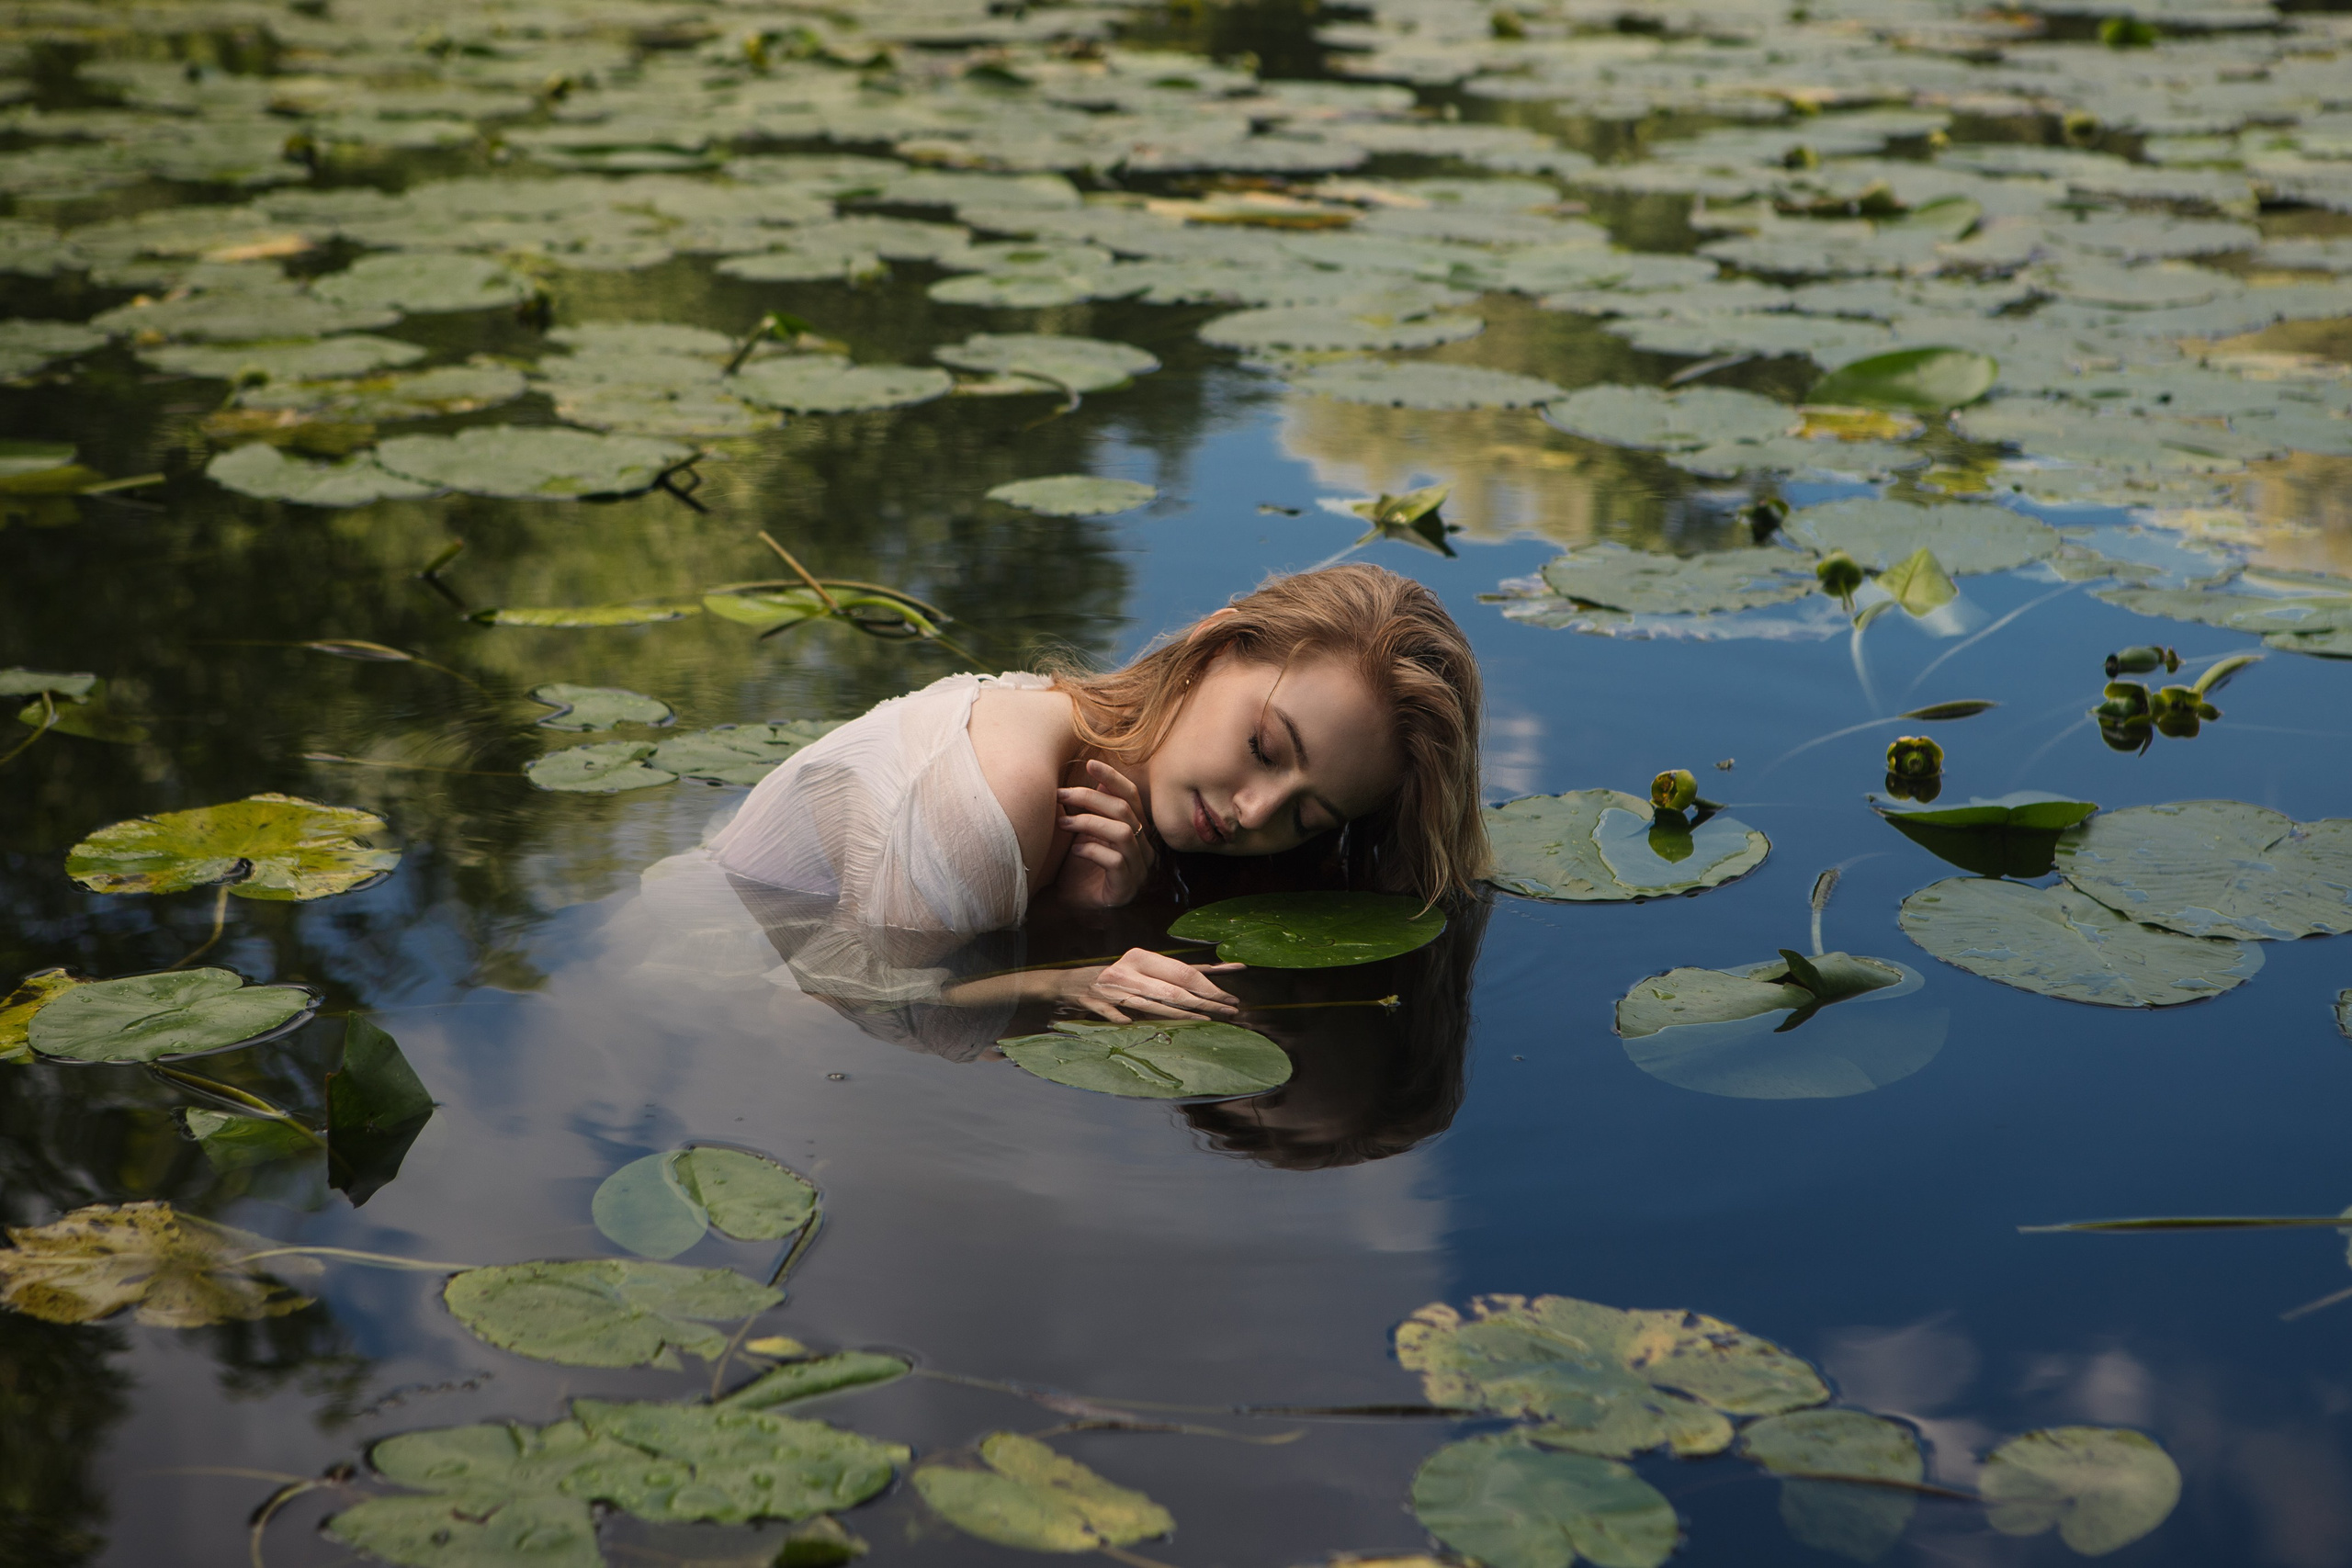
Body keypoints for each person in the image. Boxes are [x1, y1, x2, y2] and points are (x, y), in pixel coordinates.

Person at [702, 563, 1487, 1030]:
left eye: (1306, 815)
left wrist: (1085, 912)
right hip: (686, 976)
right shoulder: (1000, 794)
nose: (1255, 812)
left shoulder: (1092, 745)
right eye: (1264, 748)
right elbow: (822, 1003)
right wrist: (1066, 980)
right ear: (1215, 648)